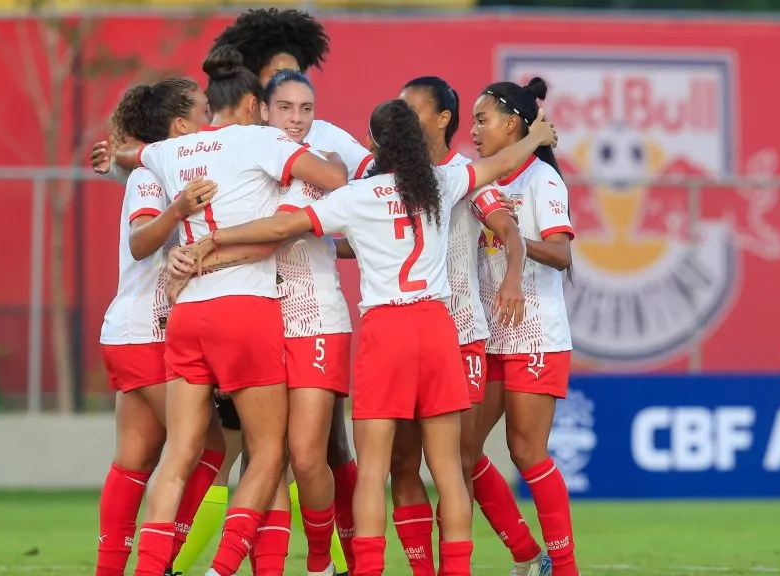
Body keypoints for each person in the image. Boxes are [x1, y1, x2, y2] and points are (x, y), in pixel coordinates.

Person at [177, 98, 558, 576]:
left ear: (374, 143)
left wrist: (215, 238)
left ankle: (369, 569)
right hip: (438, 329)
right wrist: (535, 138)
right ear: (420, 142)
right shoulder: (440, 183)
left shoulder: (358, 197)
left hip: (386, 331)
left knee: (372, 471)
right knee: (449, 473)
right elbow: (500, 164)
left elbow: (281, 225)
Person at [112, 45, 348, 576]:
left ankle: (149, 568)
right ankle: (222, 568)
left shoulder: (172, 152)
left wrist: (116, 157)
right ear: (249, 104)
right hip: (246, 307)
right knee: (267, 454)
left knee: (179, 455)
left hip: (188, 309)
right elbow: (332, 181)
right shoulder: (260, 140)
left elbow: (134, 155)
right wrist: (331, 158)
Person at [169, 69, 359, 576]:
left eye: (306, 109)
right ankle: (253, 566)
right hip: (265, 318)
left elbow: (275, 235)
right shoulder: (255, 162)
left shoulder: (318, 168)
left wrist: (203, 255)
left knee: (304, 456)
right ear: (262, 112)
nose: (296, 119)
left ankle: (321, 562)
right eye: (285, 108)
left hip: (315, 317)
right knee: (263, 456)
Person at [386, 77, 527, 576]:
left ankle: (473, 565)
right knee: (401, 464)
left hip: (460, 334)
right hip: (400, 337)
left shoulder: (465, 176)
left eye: (413, 110)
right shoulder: (382, 173)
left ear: (444, 118)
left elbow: (509, 231)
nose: (403, 118)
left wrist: (512, 279)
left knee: (458, 463)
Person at [93, 77, 224, 576]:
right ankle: (160, 562)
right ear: (180, 125)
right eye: (203, 111)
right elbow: (140, 241)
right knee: (208, 448)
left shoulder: (156, 170)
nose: (210, 122)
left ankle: (111, 569)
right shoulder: (155, 177)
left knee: (135, 457)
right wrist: (177, 209)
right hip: (147, 332)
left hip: (128, 331)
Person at [468, 77, 579, 576]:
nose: (473, 129)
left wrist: (511, 236)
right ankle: (527, 556)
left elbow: (561, 253)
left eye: (481, 118)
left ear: (513, 123)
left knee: (525, 450)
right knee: (463, 451)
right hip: (489, 333)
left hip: (535, 329)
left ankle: (565, 566)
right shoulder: (479, 179)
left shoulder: (541, 181)